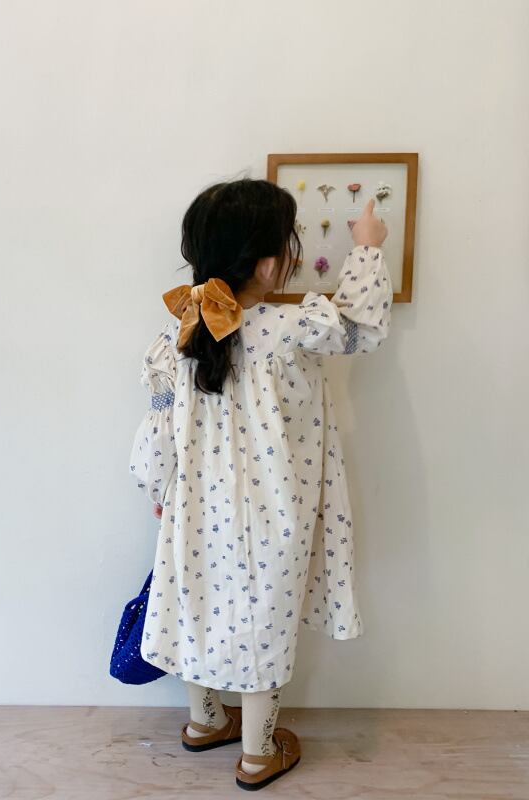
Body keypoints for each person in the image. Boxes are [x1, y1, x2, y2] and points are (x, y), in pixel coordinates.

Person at [128, 178, 392, 790]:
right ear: (270, 263)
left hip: (195, 508)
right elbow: (362, 326)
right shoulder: (292, 328)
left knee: (196, 605)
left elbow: (160, 423)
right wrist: (367, 247)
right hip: (276, 510)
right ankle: (257, 753)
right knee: (264, 620)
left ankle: (205, 722)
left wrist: (160, 493)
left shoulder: (175, 336)